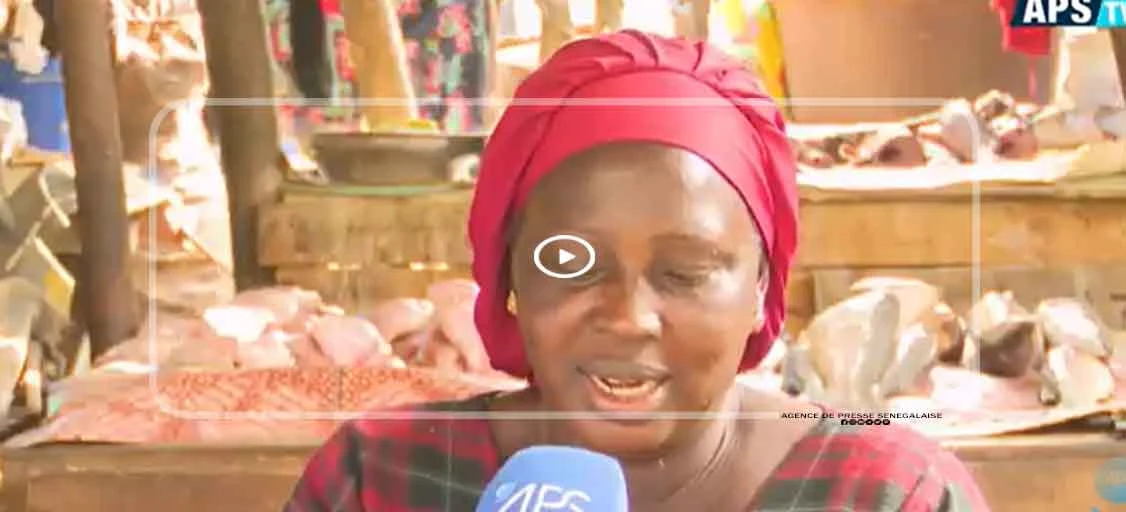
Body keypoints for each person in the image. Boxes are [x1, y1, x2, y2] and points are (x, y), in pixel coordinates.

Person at [283, 30, 990, 511]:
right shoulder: (376, 482)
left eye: (684, 272)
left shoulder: (888, 495)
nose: (627, 316)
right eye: (569, 262)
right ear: (508, 281)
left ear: (760, 291)